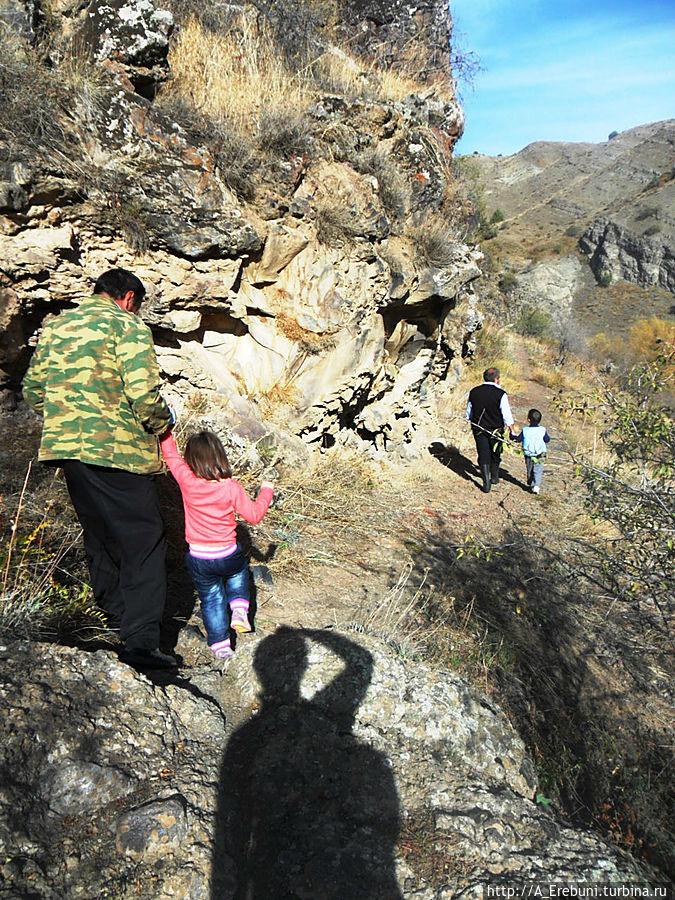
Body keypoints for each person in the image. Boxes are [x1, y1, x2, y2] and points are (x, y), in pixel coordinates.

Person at [22, 267, 177, 670]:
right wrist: (164, 424)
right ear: (128, 298)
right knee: (144, 538)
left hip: (66, 450)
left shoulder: (58, 326)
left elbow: (33, 391)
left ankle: (113, 618)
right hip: (118, 451)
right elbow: (144, 394)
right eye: (137, 305)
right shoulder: (127, 326)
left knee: (101, 532)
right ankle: (141, 643)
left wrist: (67, 421)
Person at [160, 429, 274, 660]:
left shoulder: (187, 481)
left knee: (211, 599)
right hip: (227, 553)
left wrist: (165, 428)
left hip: (199, 557)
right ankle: (240, 609)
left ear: (192, 459)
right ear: (220, 457)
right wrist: (267, 490)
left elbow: (171, 455)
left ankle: (221, 646)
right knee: (239, 572)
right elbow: (253, 515)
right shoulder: (230, 487)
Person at [466, 366, 515, 493]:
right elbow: (506, 414)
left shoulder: (474, 391)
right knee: (496, 452)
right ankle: (494, 477)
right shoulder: (501, 394)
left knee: (483, 453)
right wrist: (512, 430)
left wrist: (472, 420)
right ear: (497, 379)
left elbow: (469, 412)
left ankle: (486, 483)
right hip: (496, 429)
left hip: (479, 427)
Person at [512, 408, 550, 494]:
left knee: (530, 469)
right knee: (538, 469)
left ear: (528, 419)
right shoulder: (542, 429)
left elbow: (518, 439)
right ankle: (535, 485)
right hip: (541, 453)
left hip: (528, 453)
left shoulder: (525, 430)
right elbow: (547, 439)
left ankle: (534, 484)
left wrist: (513, 437)